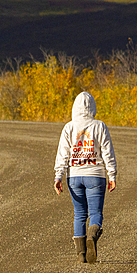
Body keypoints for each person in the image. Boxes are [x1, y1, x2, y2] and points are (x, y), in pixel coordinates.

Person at [53, 91, 117, 264]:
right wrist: (112, 174)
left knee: (79, 214)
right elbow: (107, 152)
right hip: (95, 175)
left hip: (74, 176)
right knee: (95, 213)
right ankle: (92, 235)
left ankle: (81, 254)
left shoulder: (69, 127)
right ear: (93, 107)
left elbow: (62, 154)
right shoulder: (100, 126)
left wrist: (58, 177)